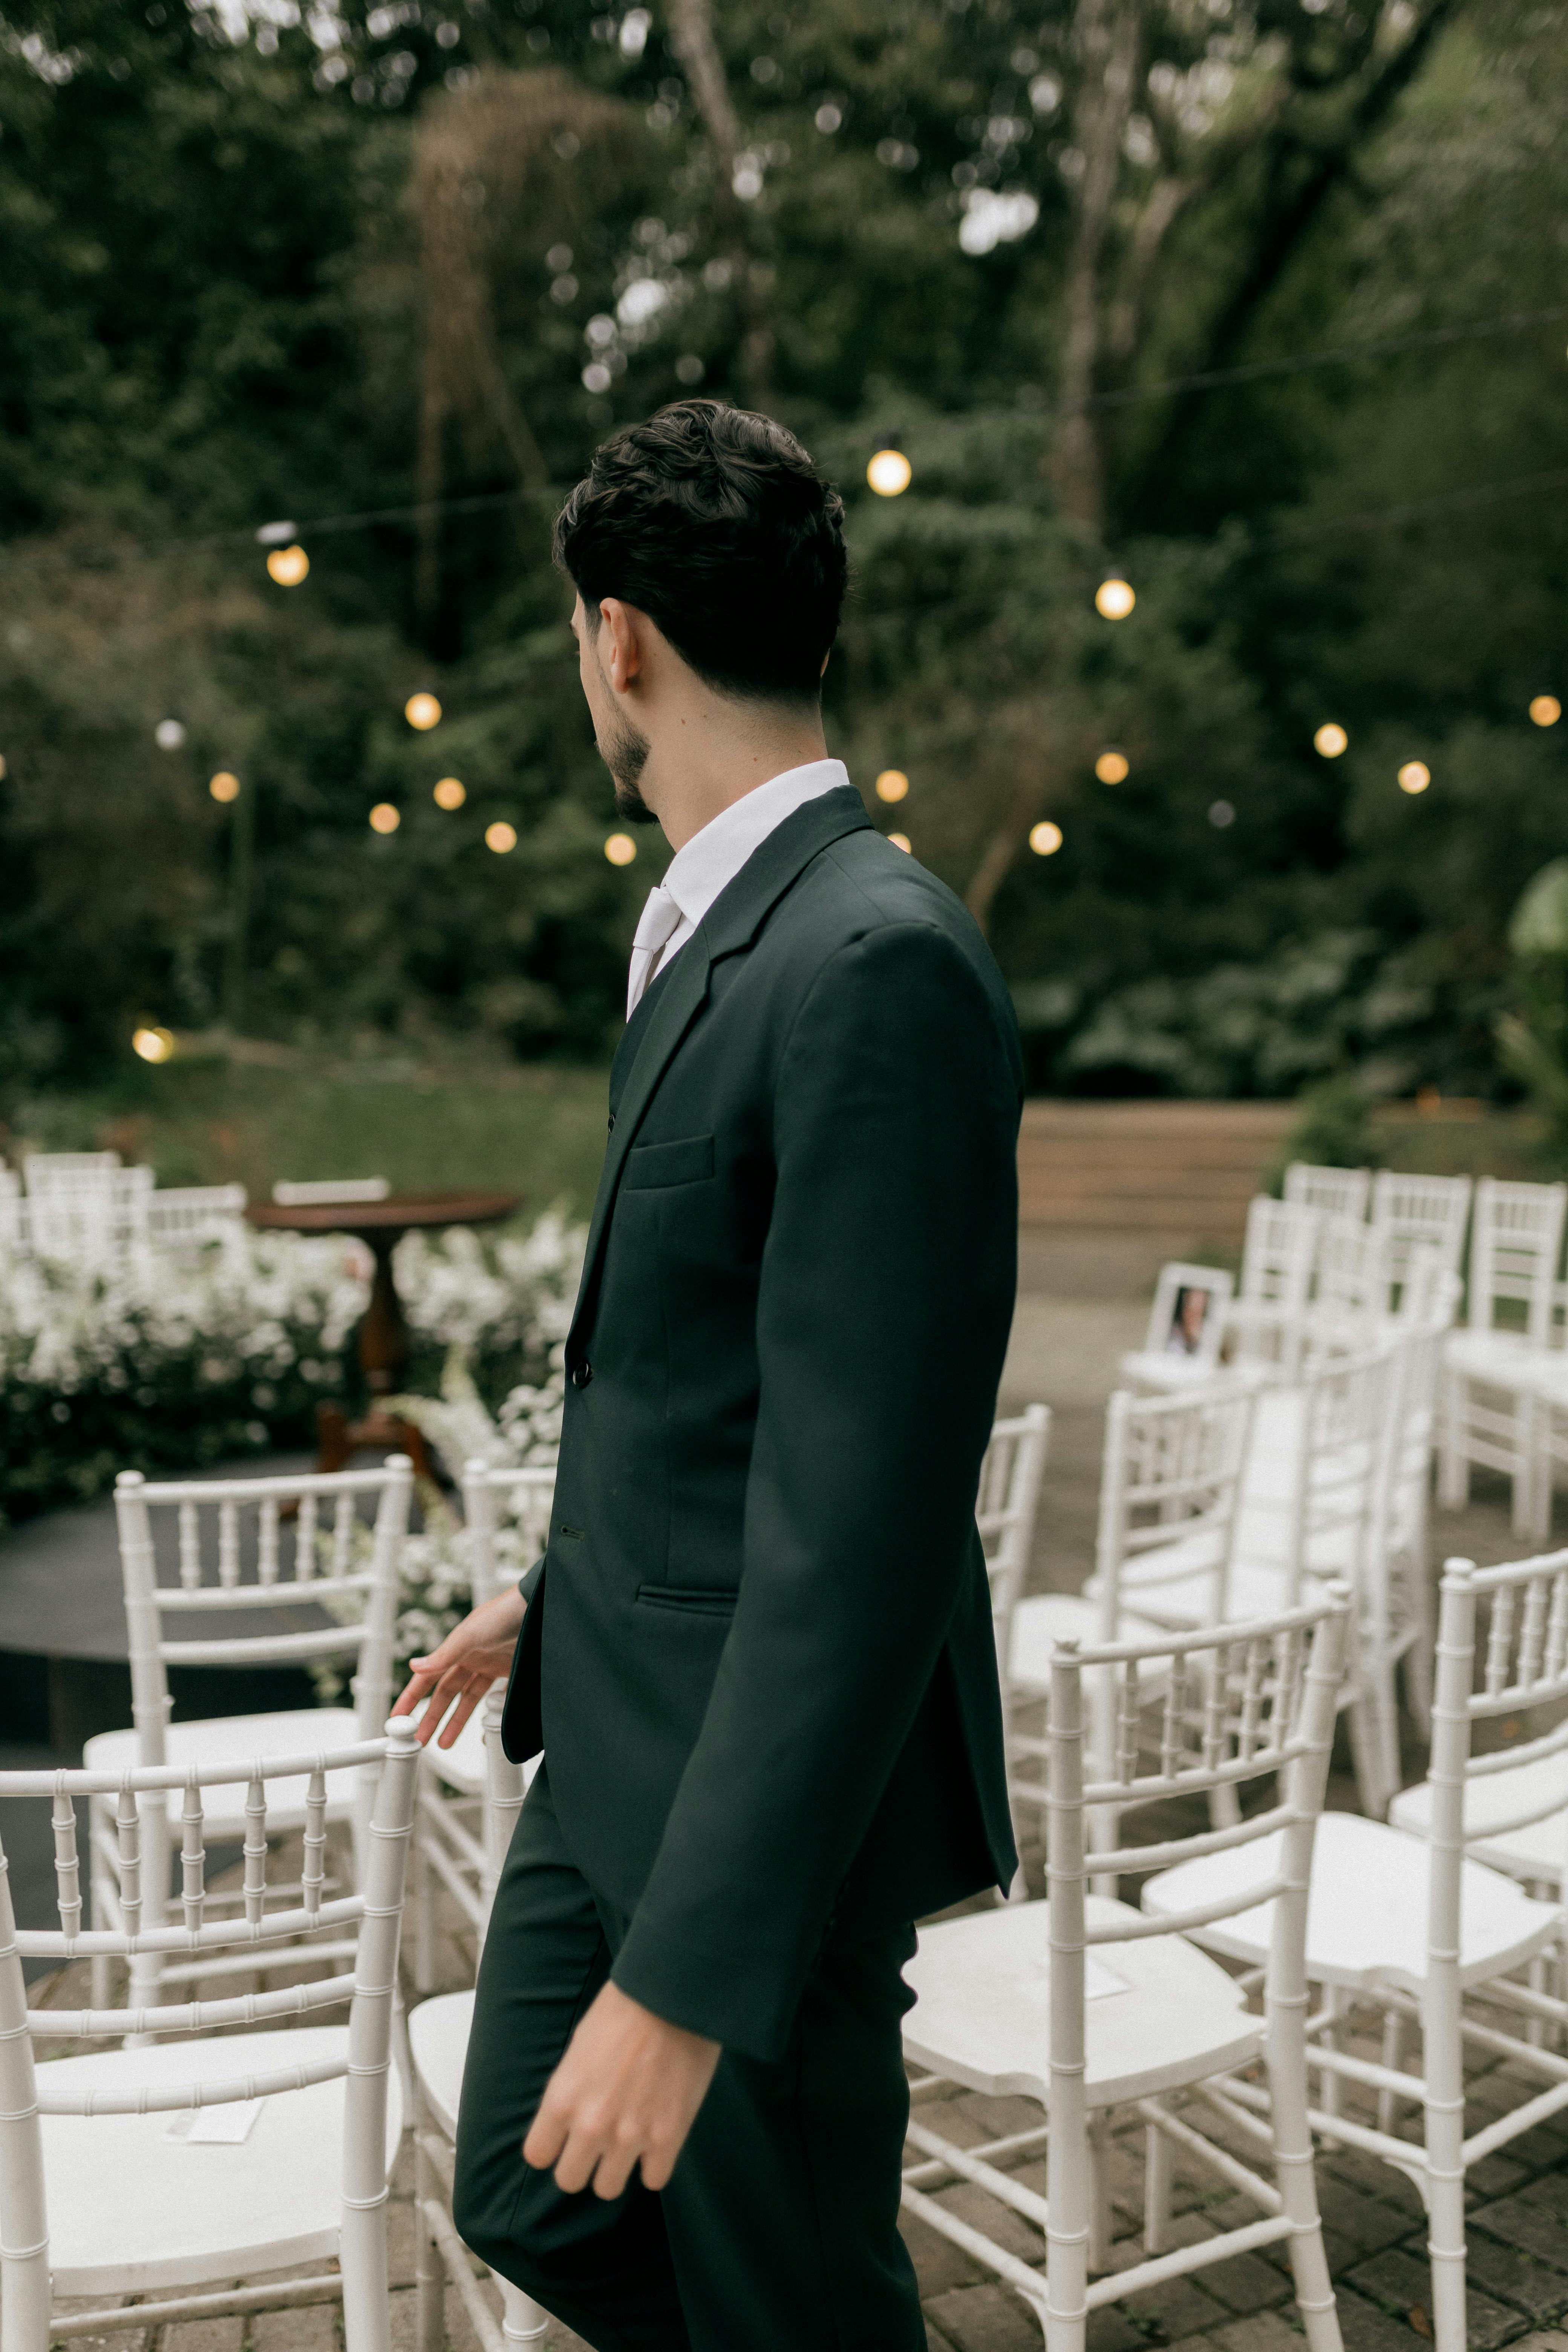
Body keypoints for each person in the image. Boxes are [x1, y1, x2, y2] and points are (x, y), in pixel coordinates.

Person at [393, 399, 1023, 2350]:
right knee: (523, 2183)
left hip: (769, 1810)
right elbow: (722, 1382)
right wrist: (563, 1591)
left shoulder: (874, 956)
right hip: (619, 1725)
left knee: (795, 2298)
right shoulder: (709, 930)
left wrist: (690, 1985)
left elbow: (868, 1520)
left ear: (621, 640)